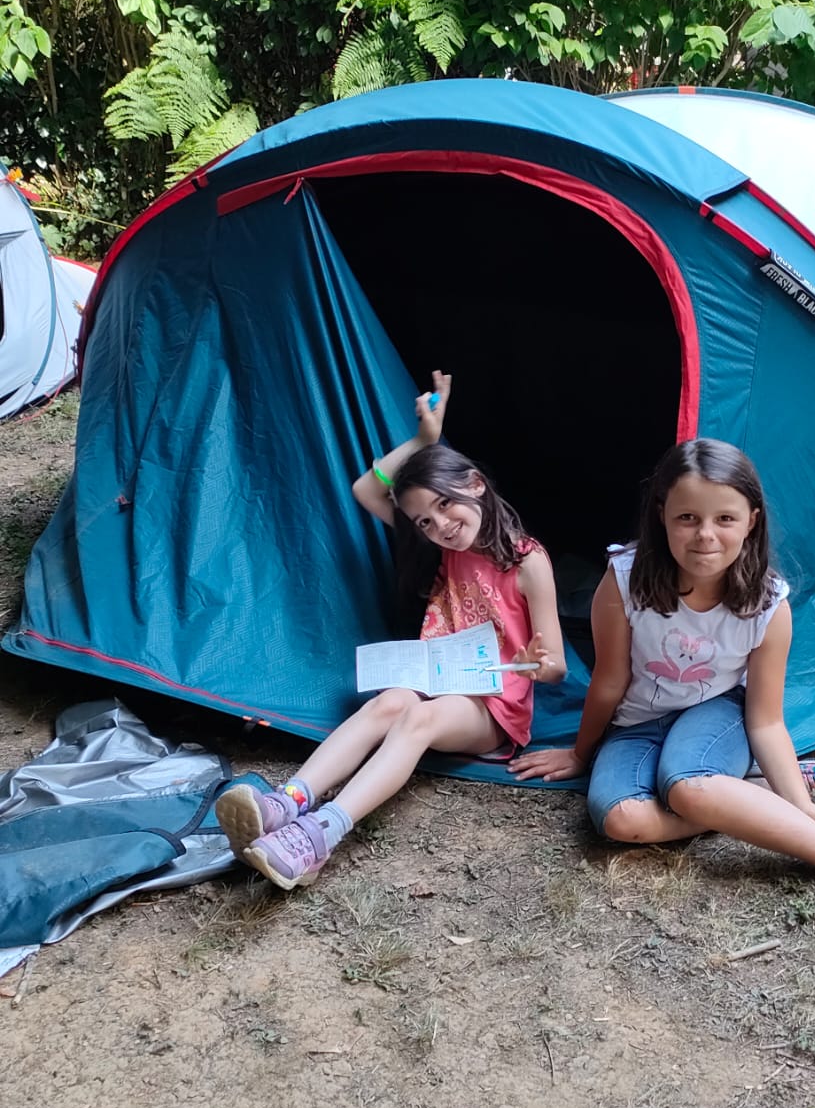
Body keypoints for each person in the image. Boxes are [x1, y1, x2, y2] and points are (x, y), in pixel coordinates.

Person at [512, 438, 815, 938]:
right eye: (687, 518)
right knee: (618, 819)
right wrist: (580, 752)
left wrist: (804, 809)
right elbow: (610, 681)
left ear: (751, 521)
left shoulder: (769, 605)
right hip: (638, 724)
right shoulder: (625, 579)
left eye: (725, 519)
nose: (705, 535)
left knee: (686, 785)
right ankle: (749, 795)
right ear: (662, 515)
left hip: (718, 712)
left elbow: (765, 720)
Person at [219, 372, 565, 890]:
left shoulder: (527, 561)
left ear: (475, 484)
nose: (440, 525)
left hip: (491, 707)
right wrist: (424, 439)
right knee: (387, 703)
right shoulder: (444, 550)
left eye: (444, 504)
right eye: (423, 521)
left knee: (417, 717)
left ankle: (320, 834)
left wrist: (541, 663)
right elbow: (366, 489)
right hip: (437, 681)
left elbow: (556, 666)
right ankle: (288, 802)